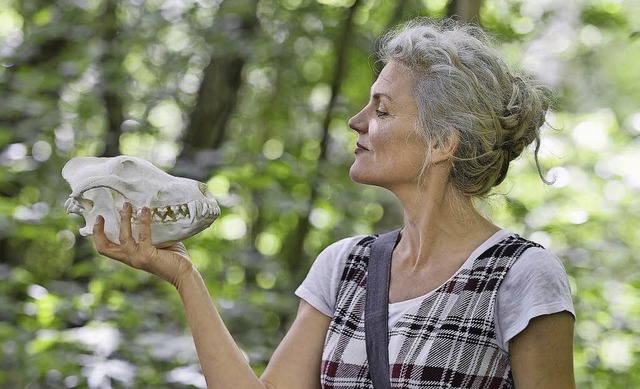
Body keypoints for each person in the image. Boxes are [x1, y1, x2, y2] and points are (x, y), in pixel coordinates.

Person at [93, 17, 575, 388]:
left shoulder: (523, 275)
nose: (356, 120)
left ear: (441, 142)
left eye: (381, 109)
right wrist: (183, 275)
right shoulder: (346, 265)